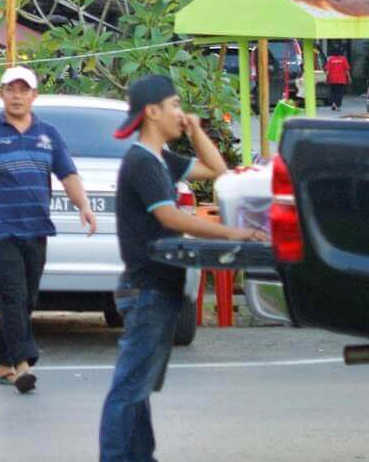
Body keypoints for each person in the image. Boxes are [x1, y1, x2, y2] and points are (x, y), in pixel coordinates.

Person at [99, 75, 267, 462]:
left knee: (138, 388)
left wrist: (193, 129)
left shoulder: (161, 160)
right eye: (174, 105)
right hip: (146, 288)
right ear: (152, 112)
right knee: (128, 388)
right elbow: (170, 217)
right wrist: (234, 233)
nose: (180, 112)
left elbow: (218, 170)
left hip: (159, 287)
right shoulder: (141, 162)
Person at [0, 66, 97, 395]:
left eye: (23, 90)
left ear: (33, 96)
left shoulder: (48, 135)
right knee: (12, 295)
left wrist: (84, 206)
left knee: (26, 297)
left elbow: (68, 175)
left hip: (36, 227)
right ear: (2, 94)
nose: (17, 96)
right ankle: (24, 364)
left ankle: (2, 362)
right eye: (10, 89)